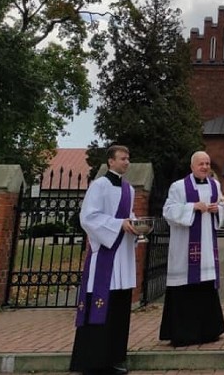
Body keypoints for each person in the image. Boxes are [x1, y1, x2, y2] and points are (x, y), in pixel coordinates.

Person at [70, 145, 138, 375]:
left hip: (123, 257)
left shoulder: (129, 189)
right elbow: (88, 217)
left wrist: (135, 226)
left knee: (118, 308)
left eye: (128, 159)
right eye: (122, 158)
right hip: (105, 256)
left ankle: (113, 358)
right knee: (101, 307)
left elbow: (129, 216)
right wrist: (119, 224)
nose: (126, 162)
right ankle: (93, 362)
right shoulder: (99, 186)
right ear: (110, 161)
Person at [159, 151, 224, 346]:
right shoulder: (178, 187)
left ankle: (209, 331)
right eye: (201, 164)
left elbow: (222, 207)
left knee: (205, 288)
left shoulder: (215, 185)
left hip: (206, 250)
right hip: (184, 250)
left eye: (207, 163)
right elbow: (168, 211)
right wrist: (192, 207)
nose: (205, 167)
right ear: (192, 166)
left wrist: (217, 210)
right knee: (185, 290)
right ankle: (183, 333)